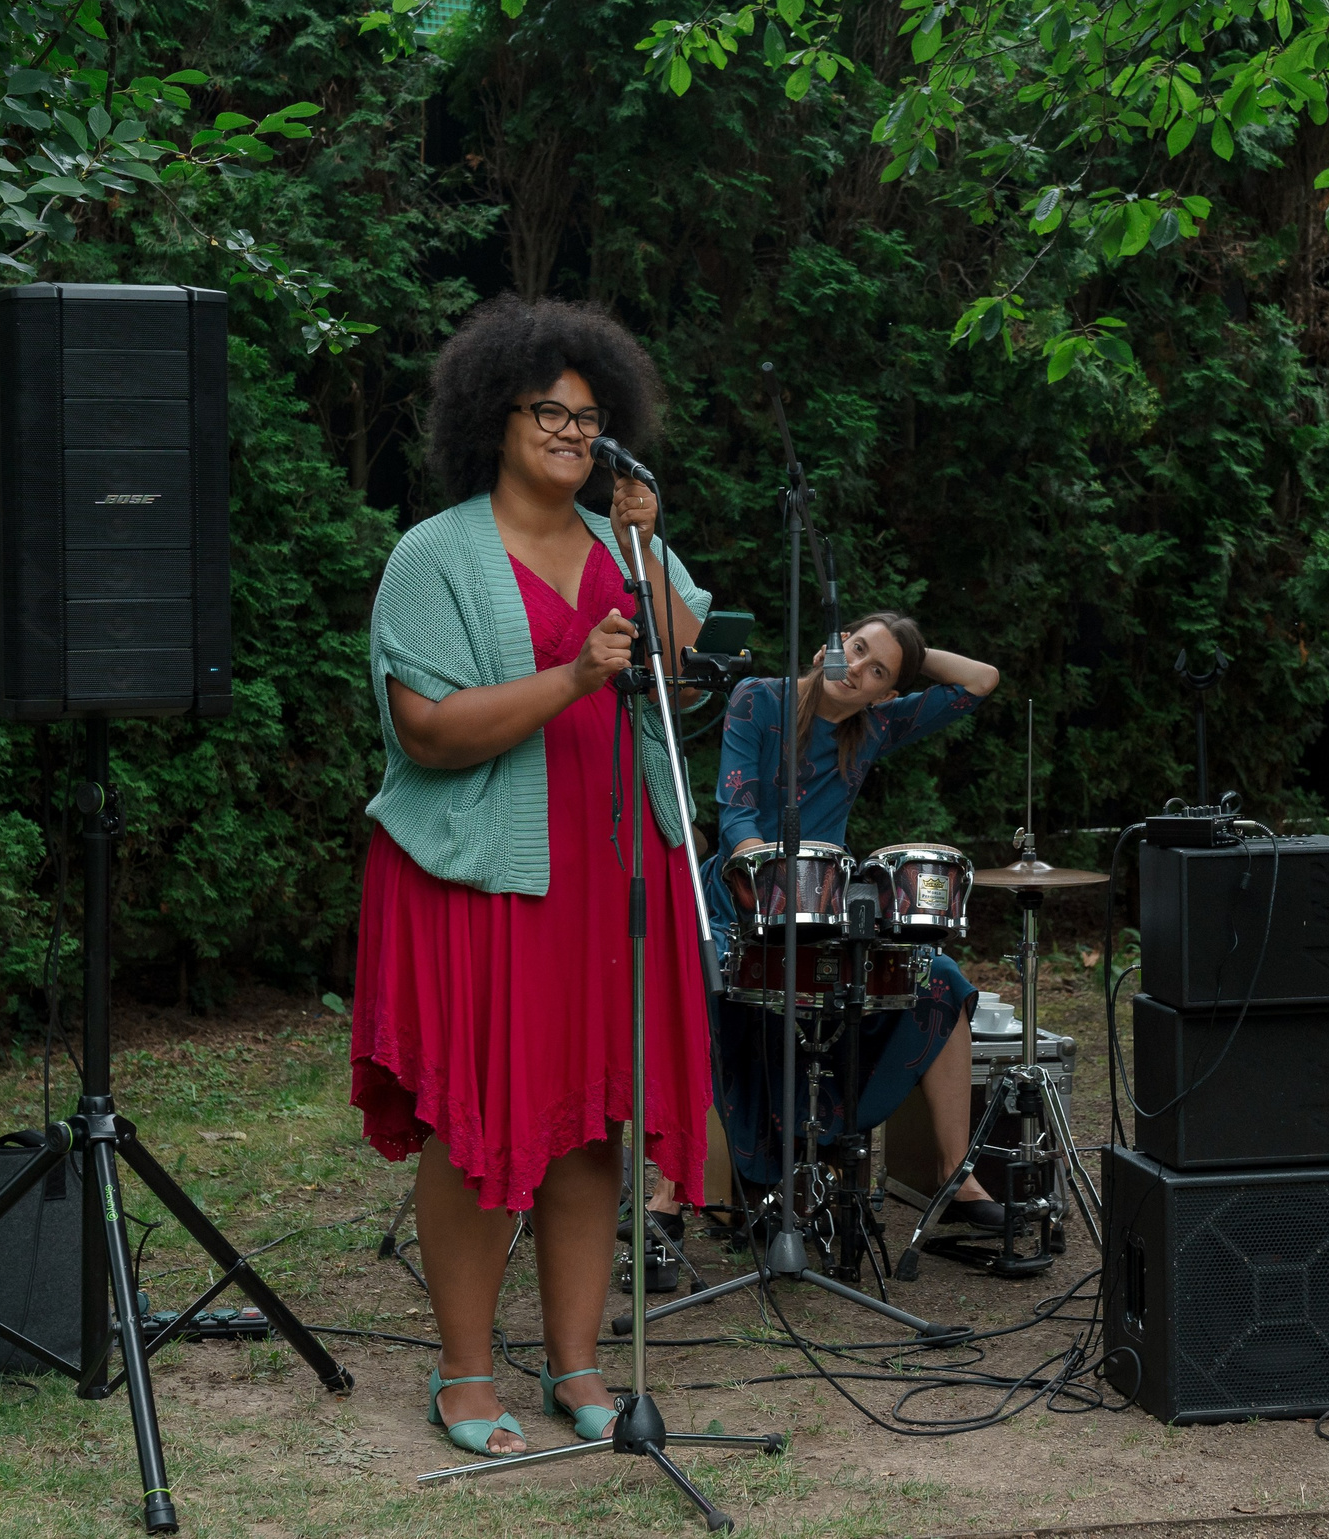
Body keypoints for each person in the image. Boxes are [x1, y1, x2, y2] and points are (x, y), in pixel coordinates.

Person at [351, 295, 714, 1457]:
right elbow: (428, 735)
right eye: (545, 411)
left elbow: (677, 667)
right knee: (474, 1117)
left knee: (588, 1120)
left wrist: (646, 549)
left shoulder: (624, 544)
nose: (569, 430)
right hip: (484, 876)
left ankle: (577, 1362)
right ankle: (463, 1373)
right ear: (492, 417)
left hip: (614, 864)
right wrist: (568, 678)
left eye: (588, 414)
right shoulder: (436, 553)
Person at [637, 612, 1004, 1242]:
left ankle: (955, 1172)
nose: (856, 669)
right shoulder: (760, 700)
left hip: (825, 914)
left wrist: (906, 658)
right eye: (855, 649)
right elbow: (736, 810)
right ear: (826, 646)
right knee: (698, 984)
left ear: (886, 694)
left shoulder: (877, 724)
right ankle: (670, 1187)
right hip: (739, 902)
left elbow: (980, 681)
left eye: (876, 671)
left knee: (939, 978)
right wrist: (768, 880)